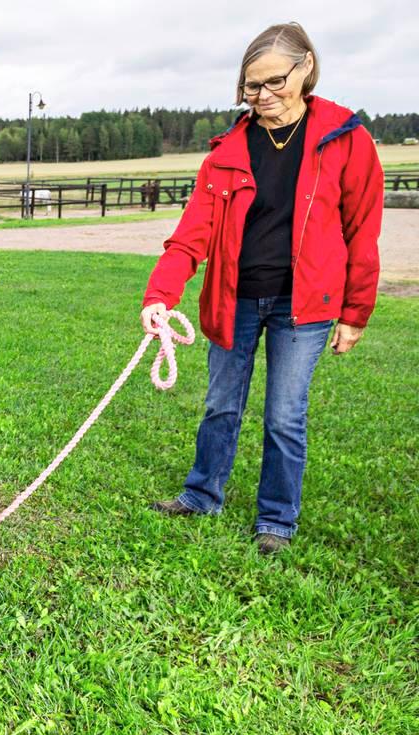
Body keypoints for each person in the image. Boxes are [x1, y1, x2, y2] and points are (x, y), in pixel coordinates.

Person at [142, 22, 383, 555]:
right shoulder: (226, 152)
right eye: (252, 87)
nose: (263, 96)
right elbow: (190, 237)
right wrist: (160, 295)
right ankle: (201, 494)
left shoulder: (347, 140)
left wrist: (355, 311)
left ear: (306, 70)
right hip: (237, 299)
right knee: (221, 404)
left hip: (306, 305)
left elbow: (362, 232)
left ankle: (276, 521)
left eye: (275, 82)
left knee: (284, 415)